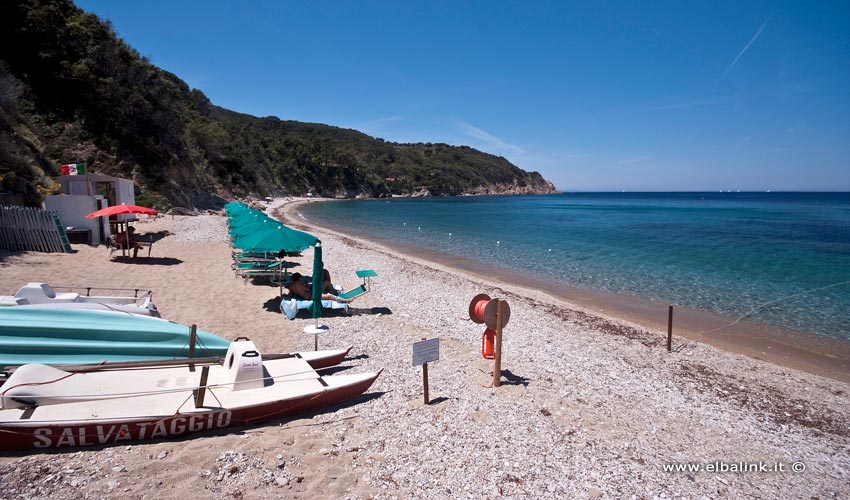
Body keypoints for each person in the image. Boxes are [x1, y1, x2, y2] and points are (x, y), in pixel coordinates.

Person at [287, 272, 354, 303]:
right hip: (311, 296)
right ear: (299, 278)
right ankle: (346, 301)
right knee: (329, 296)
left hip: (310, 295)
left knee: (326, 286)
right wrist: (307, 285)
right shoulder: (299, 283)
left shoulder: (291, 286)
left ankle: (335, 294)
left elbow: (290, 294)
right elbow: (307, 289)